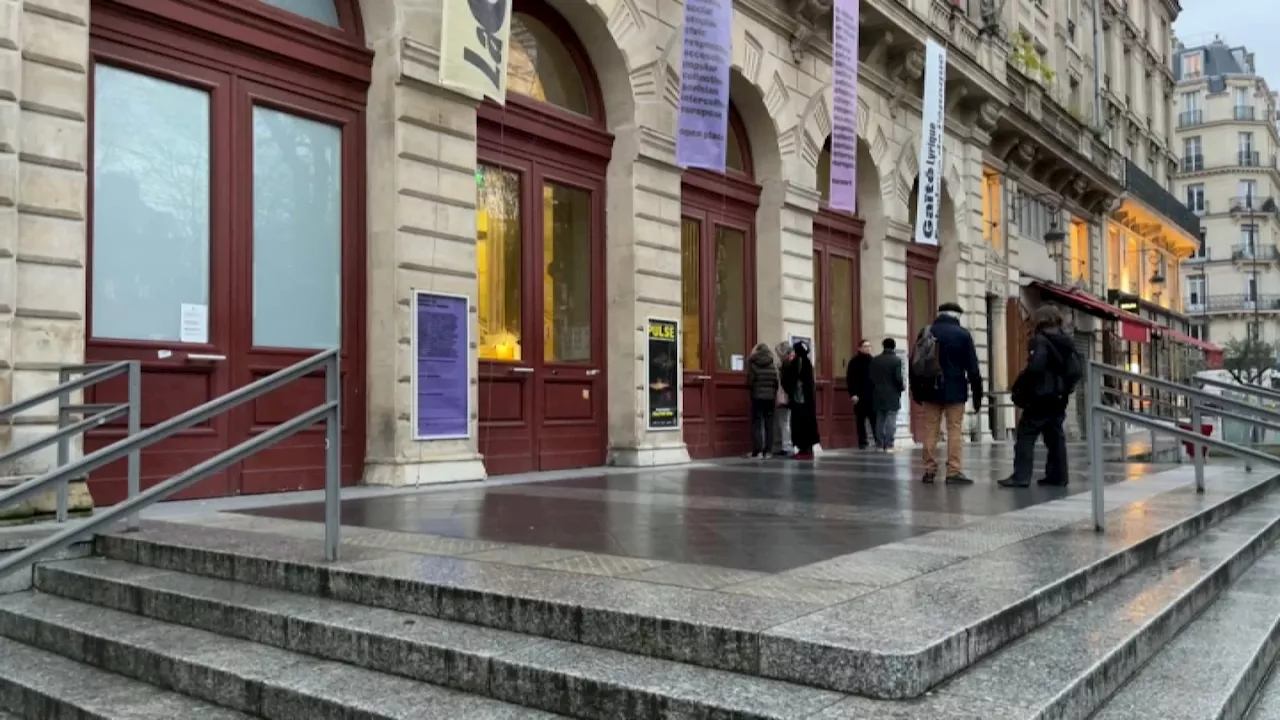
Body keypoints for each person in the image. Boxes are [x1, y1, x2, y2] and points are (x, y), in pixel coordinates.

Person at [1000, 306, 1079, 488]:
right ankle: (1058, 476)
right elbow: (1074, 369)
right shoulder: (1066, 340)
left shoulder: (1041, 340)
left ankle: (1021, 476)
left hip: (1041, 395)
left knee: (1026, 434)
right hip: (1059, 396)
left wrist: (1022, 385)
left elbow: (1036, 366)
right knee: (1054, 435)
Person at [910, 301, 983, 484]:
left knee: (930, 430)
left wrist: (916, 390)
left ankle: (929, 470)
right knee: (954, 430)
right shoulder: (963, 335)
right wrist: (977, 394)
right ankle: (953, 471)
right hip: (955, 390)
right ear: (957, 316)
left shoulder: (926, 332)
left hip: (929, 390)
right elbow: (973, 368)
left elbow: (915, 363)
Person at [783, 340, 819, 459]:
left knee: (799, 424)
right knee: (807, 424)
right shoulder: (808, 363)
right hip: (808, 400)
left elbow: (788, 380)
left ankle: (802, 448)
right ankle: (807, 448)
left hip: (798, 400)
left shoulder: (795, 363)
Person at [869, 338, 905, 451]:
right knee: (891, 418)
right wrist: (901, 388)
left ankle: (879, 444)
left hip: (877, 393)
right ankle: (889, 444)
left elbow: (871, 377)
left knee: (880, 418)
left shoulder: (875, 360)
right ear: (893, 347)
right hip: (892, 393)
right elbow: (898, 378)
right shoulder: (896, 360)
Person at [746, 342, 780, 458]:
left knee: (757, 424)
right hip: (770, 398)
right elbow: (776, 383)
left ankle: (758, 451)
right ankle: (768, 451)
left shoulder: (753, 363)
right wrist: (773, 394)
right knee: (769, 425)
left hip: (757, 397)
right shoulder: (772, 364)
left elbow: (750, 381)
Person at [847, 340, 874, 449]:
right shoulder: (854, 362)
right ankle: (862, 442)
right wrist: (853, 394)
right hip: (859, 395)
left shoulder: (873, 361)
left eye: (869, 346)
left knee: (874, 419)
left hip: (872, 395)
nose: (867, 348)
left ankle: (877, 439)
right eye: (865, 346)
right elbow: (850, 379)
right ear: (859, 348)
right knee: (860, 420)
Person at [773, 341, 795, 457]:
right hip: (790, 397)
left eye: (778, 353)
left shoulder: (786, 364)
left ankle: (787, 446)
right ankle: (786, 445)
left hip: (786, 397)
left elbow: (786, 382)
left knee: (784, 421)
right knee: (786, 421)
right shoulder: (791, 362)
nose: (778, 356)